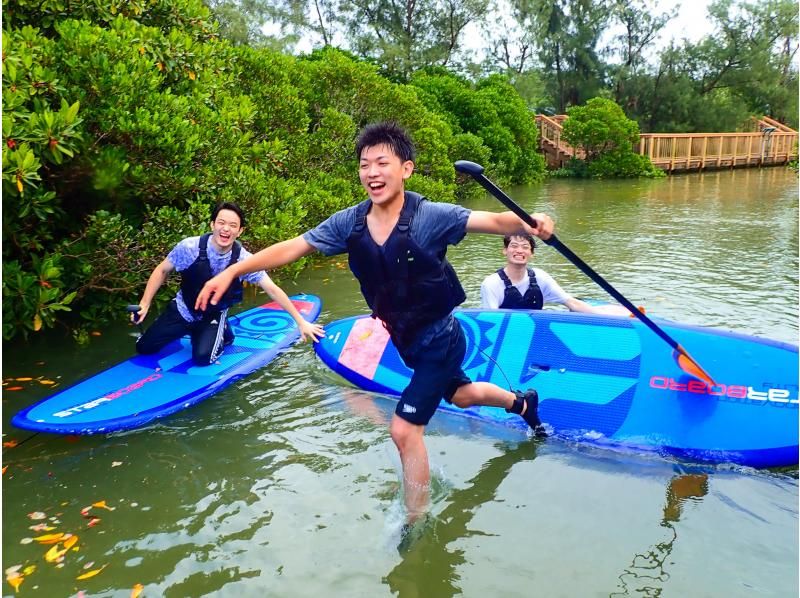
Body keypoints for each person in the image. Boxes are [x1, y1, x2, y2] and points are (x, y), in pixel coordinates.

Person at [194, 123, 555, 523]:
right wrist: (232, 272)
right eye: (365, 164)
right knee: (462, 395)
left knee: (403, 430)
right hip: (407, 341)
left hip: (440, 338)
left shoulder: (431, 216)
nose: (372, 172)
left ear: (407, 169)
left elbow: (492, 221)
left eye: (383, 162)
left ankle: (416, 522)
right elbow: (294, 247)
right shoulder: (350, 222)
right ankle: (523, 403)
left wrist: (530, 220)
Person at [132, 201, 324, 365]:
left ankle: (221, 331)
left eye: (233, 225)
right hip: (182, 310)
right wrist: (145, 303)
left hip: (212, 315)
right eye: (221, 223)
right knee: (144, 348)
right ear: (212, 224)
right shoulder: (189, 248)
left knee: (203, 359)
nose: (226, 229)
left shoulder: (244, 260)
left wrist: (301, 322)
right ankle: (191, 330)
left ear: (239, 231)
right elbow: (162, 270)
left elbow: (272, 289)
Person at [480, 234, 613, 313]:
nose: (519, 250)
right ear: (505, 250)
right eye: (514, 246)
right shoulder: (491, 284)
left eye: (525, 247)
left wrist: (605, 317)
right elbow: (491, 320)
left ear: (532, 254)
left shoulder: (540, 278)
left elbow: (572, 302)